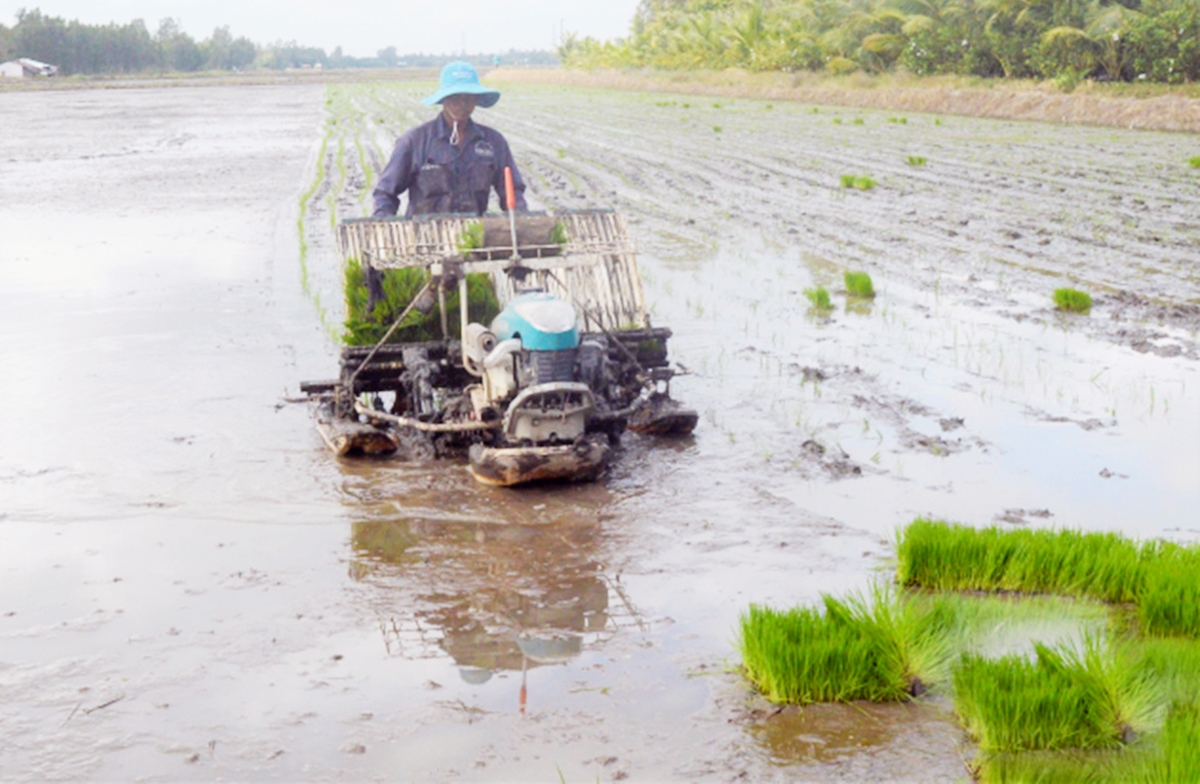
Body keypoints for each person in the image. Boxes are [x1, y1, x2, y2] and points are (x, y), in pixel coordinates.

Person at [368, 61, 527, 313]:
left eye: (467, 98)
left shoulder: (493, 142)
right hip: (423, 248)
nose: (460, 104)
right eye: (454, 97)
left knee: (477, 316)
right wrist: (386, 234)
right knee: (422, 319)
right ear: (443, 99)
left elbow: (513, 192)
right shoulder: (416, 141)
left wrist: (520, 222)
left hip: (472, 250)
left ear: (475, 100)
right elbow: (386, 194)